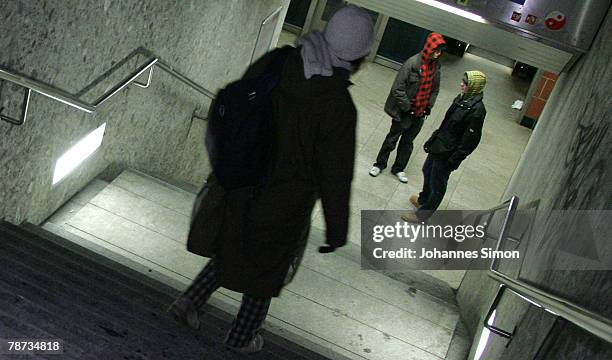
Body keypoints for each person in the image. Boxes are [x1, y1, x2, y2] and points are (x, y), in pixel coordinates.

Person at [168, 5, 374, 353]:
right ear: (359, 56)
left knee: (232, 246)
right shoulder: (337, 107)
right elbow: (335, 177)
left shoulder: (280, 61)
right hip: (284, 203)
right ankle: (241, 337)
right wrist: (336, 231)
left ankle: (188, 303)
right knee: (266, 272)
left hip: (241, 181)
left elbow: (239, 106)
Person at [401, 71, 487, 223]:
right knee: (427, 170)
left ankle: (422, 215)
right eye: (462, 81)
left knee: (438, 184)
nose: (461, 84)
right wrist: (433, 139)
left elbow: (470, 141)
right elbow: (446, 124)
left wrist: (454, 160)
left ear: (474, 87)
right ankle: (424, 199)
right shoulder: (461, 99)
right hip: (439, 146)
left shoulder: (477, 111)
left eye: (465, 83)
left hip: (448, 153)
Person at [370, 33, 446, 183]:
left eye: (440, 52)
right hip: (405, 111)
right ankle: (379, 164)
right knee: (392, 139)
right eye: (436, 50)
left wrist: (428, 106)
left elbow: (435, 89)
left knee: (408, 142)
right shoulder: (412, 63)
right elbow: (398, 88)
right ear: (429, 48)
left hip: (420, 113)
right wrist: (407, 107)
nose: (438, 54)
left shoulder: (436, 67)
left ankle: (398, 168)